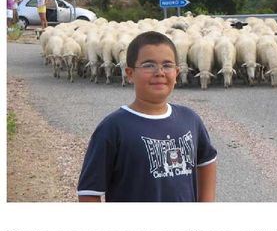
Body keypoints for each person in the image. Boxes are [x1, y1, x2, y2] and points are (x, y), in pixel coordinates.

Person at [77, 32, 217, 203]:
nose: (159, 72)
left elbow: (207, 161)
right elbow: (89, 191)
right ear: (129, 74)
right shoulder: (113, 128)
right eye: (149, 65)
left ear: (177, 73)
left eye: (167, 65)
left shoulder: (190, 120)